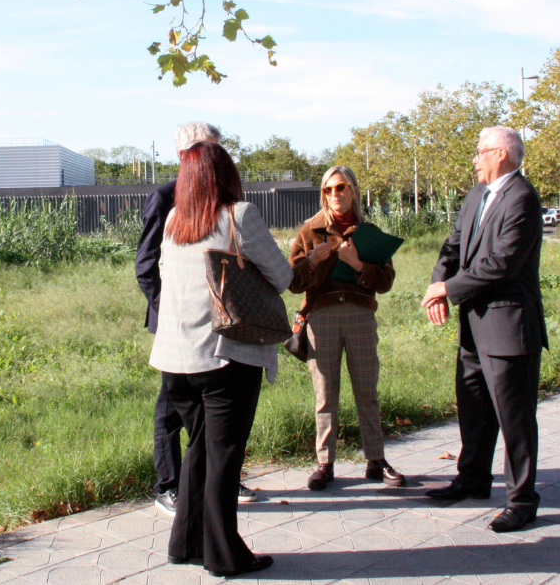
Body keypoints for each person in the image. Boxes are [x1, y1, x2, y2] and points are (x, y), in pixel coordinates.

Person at [149, 141, 291, 578]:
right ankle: (224, 555)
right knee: (223, 457)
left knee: (200, 454)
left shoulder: (174, 220)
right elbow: (283, 277)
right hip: (225, 358)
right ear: (226, 175)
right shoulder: (239, 215)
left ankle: (186, 544)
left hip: (174, 362)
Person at [420, 126, 548, 534]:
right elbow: (453, 246)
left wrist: (449, 288)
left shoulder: (522, 199)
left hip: (509, 326)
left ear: (501, 155)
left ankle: (523, 499)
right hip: (474, 325)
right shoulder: (476, 195)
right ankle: (473, 478)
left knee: (515, 417)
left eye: (479, 152)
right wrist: (438, 283)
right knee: (473, 405)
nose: (474, 159)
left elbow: (502, 263)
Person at [135, 122, 257, 515]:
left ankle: (220, 480)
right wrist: (169, 309)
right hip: (176, 326)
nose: (215, 157)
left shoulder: (227, 203)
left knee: (213, 419)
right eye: (207, 149)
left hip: (218, 327)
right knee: (170, 409)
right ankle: (169, 484)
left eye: (218, 149)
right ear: (186, 156)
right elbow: (146, 265)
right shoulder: (166, 199)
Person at [288, 166, 403, 491]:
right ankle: (325, 464)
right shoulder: (311, 230)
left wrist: (357, 265)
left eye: (341, 188)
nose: (335, 195)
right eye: (328, 189)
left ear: (353, 190)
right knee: (325, 395)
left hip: (359, 316)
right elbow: (293, 283)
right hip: (321, 318)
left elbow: (386, 282)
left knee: (367, 391)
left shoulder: (369, 231)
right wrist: (312, 261)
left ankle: (376, 461)